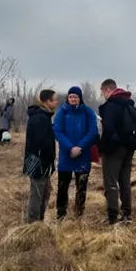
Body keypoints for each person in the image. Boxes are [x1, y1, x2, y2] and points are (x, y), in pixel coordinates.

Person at [53, 86, 98, 220]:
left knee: (82, 186)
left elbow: (93, 132)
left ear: (80, 98)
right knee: (62, 186)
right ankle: (61, 214)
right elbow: (57, 131)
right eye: (71, 96)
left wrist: (80, 147)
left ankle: (79, 213)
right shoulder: (62, 112)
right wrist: (70, 147)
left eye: (75, 97)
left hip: (82, 155)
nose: (73, 99)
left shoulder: (88, 112)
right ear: (68, 98)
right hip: (66, 155)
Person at [99, 79, 136, 225]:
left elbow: (108, 130)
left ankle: (113, 217)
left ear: (108, 90)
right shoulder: (128, 104)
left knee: (110, 183)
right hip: (129, 149)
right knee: (125, 182)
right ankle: (127, 215)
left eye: (103, 91)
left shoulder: (111, 106)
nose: (103, 95)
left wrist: (102, 148)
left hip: (114, 150)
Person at [23, 90, 59, 222]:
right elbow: (41, 144)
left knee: (45, 194)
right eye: (55, 100)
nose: (57, 102)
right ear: (47, 101)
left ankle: (39, 221)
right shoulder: (39, 118)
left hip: (44, 164)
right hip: (38, 164)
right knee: (37, 195)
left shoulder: (44, 116)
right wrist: (45, 162)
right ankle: (33, 225)